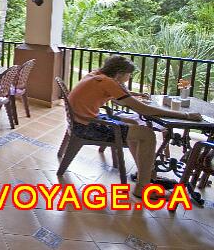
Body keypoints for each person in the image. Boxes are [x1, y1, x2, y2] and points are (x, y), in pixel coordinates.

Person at [68, 55, 202, 198]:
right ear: (119, 73)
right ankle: (142, 188)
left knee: (133, 124)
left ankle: (145, 174)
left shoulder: (97, 75)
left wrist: (132, 94)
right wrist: (185, 116)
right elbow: (145, 110)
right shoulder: (107, 82)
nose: (129, 77)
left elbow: (118, 97)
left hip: (82, 121)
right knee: (147, 135)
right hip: (88, 127)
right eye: (129, 75)